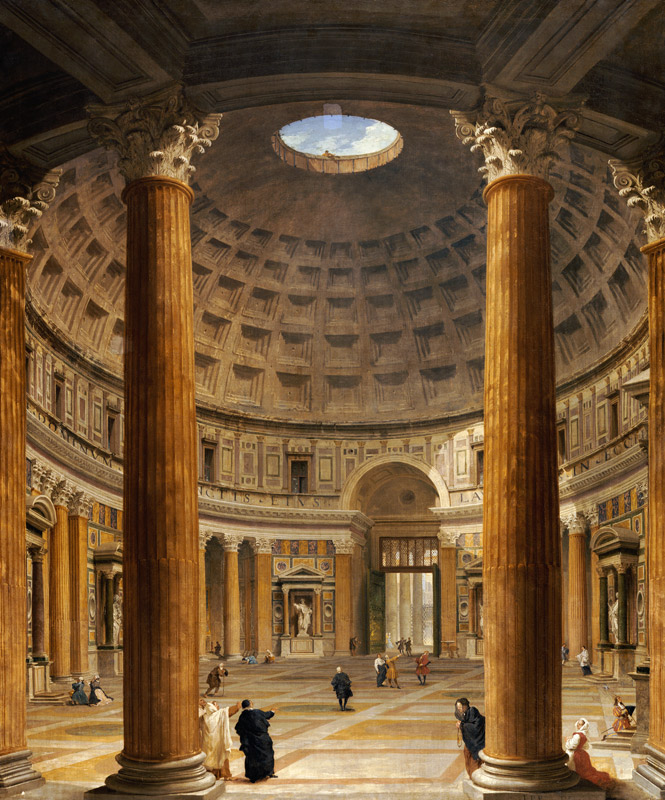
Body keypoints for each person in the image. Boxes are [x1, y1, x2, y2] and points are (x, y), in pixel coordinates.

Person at [234, 699, 278, 783]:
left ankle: (253, 777)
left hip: (250, 741)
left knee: (252, 758)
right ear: (250, 704)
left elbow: (238, 728)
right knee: (267, 755)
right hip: (262, 739)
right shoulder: (257, 712)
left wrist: (246, 735)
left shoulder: (242, 716)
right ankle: (269, 773)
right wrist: (272, 711)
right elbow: (267, 715)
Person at [566, 718, 616, 789]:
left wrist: (568, 740)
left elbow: (571, 746)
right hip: (583, 754)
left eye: (580, 724)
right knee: (587, 771)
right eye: (578, 723)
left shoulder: (577, 735)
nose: (578, 726)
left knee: (580, 772)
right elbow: (586, 746)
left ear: (584, 726)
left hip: (576, 755)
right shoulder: (584, 734)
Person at [199, 698, 242, 780]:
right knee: (221, 757)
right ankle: (224, 775)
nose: (218, 706)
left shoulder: (204, 716)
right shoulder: (218, 714)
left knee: (212, 759)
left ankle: (216, 775)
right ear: (212, 707)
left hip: (208, 743)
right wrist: (237, 706)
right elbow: (229, 711)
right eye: (215, 704)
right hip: (218, 742)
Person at [455, 697, 485, 777]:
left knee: (474, 764)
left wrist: (462, 725)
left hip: (477, 743)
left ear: (465, 706)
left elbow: (475, 727)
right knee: (468, 761)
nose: (459, 709)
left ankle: (475, 778)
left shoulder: (472, 711)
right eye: (458, 708)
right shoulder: (465, 714)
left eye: (460, 707)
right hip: (470, 743)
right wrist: (461, 724)